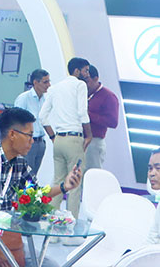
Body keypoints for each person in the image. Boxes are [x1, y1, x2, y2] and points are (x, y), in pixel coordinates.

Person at [0, 106, 82, 267]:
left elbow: (36, 195)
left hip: (2, 232)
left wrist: (64, 187)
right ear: (12, 134)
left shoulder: (20, 163)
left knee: (48, 264)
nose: (32, 141)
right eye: (29, 136)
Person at [39, 57, 91, 218]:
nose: (87, 74)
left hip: (59, 140)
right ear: (77, 71)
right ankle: (71, 225)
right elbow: (82, 112)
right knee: (74, 185)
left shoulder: (54, 88)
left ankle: (50, 223)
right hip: (74, 139)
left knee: (58, 183)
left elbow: (42, 117)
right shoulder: (80, 85)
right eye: (85, 70)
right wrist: (89, 134)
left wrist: (53, 137)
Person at [13, 69, 51, 173]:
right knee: (24, 174)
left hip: (40, 142)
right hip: (27, 142)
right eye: (45, 82)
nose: (49, 85)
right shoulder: (24, 98)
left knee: (33, 176)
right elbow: (16, 122)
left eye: (49, 81)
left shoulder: (45, 99)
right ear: (35, 82)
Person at [84, 64, 118, 172]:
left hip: (94, 141)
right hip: (78, 139)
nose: (84, 84)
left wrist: (89, 115)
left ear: (96, 78)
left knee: (92, 174)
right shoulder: (82, 93)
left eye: (87, 81)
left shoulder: (108, 96)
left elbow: (113, 122)